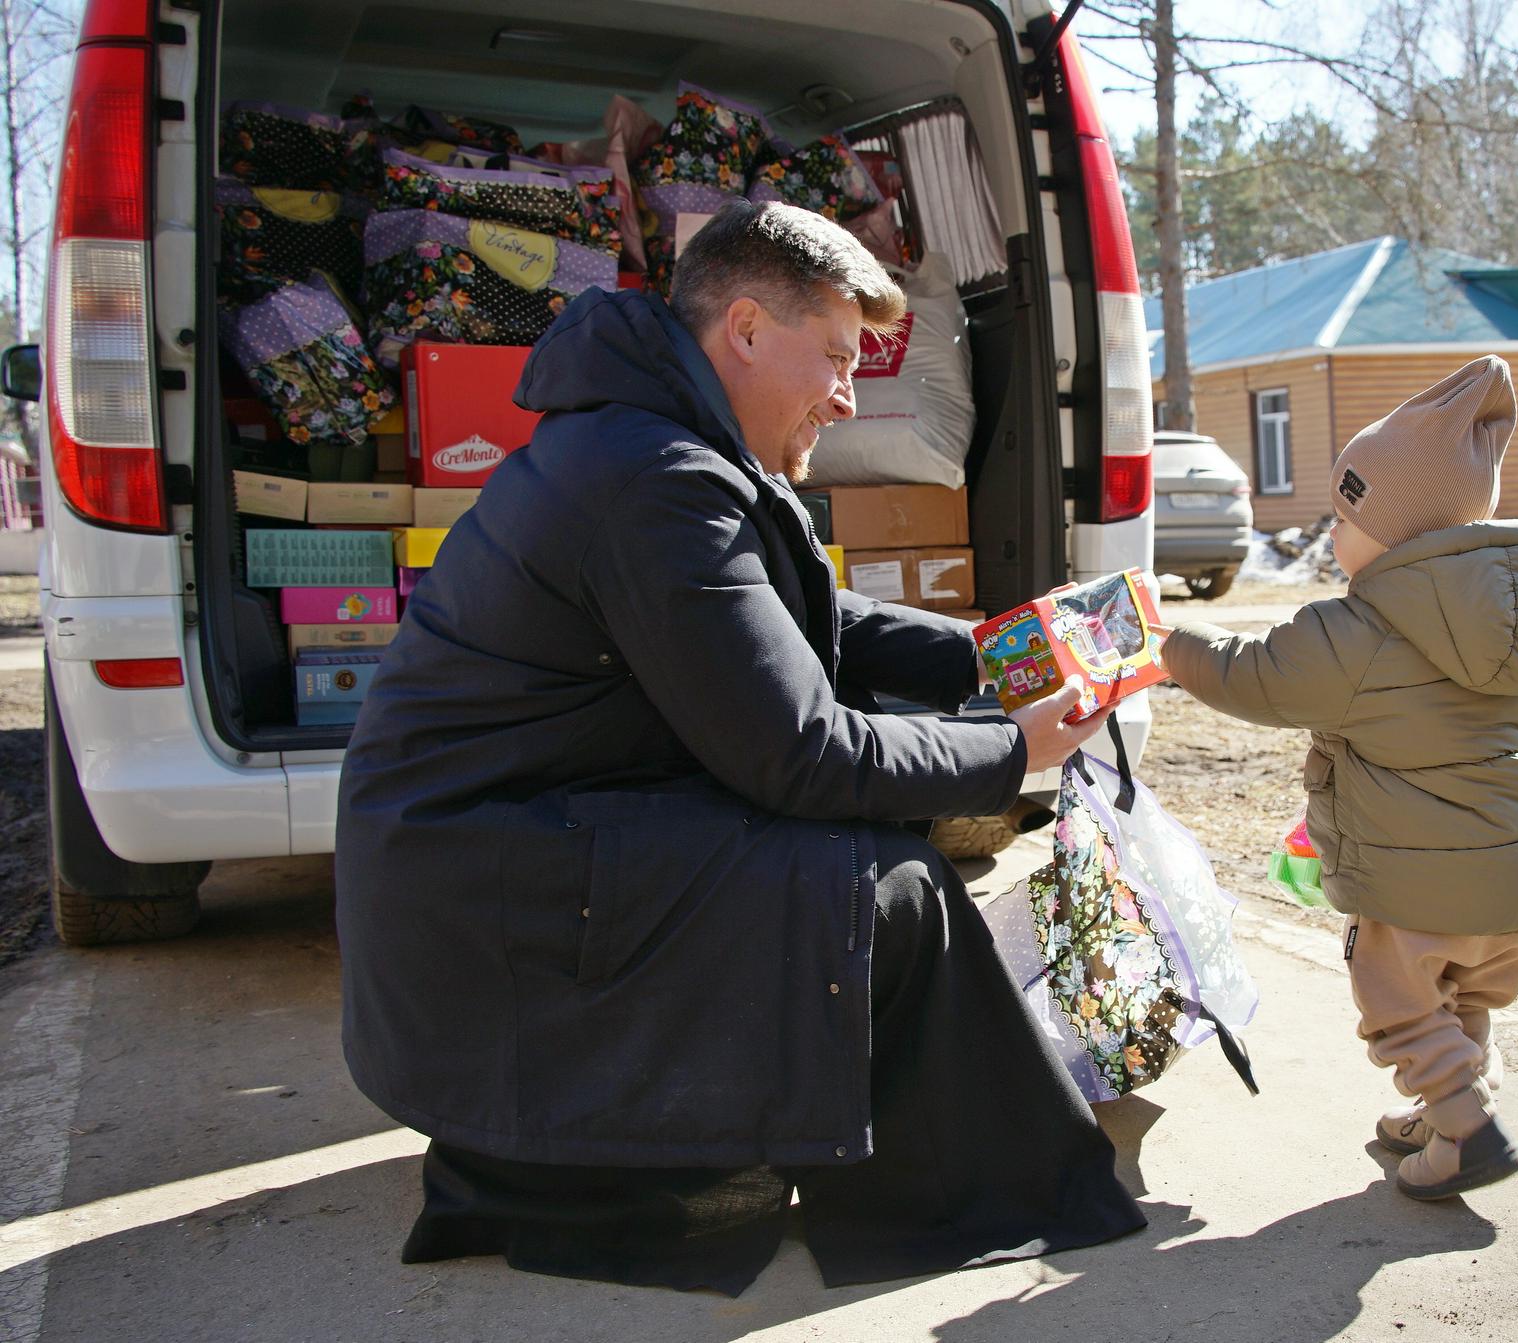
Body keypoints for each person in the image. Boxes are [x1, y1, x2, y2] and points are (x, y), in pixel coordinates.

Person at [333, 200, 1146, 1294]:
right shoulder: (654, 476)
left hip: (514, 840)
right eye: (839, 358)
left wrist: (994, 653)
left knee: (860, 861)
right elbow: (802, 756)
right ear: (749, 328)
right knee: (880, 889)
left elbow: (799, 615)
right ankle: (936, 1178)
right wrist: (1011, 751)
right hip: (486, 891)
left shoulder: (657, 438)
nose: (849, 396)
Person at [1157, 356, 1518, 1200]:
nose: (1334, 536)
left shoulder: (1361, 628)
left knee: (1399, 1001)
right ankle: (1450, 1110)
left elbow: (1256, 677)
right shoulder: (1513, 613)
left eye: (1346, 516)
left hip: (1413, 884)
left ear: (1392, 530)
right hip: (1512, 877)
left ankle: (1466, 1131)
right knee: (1461, 996)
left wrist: (1172, 645)